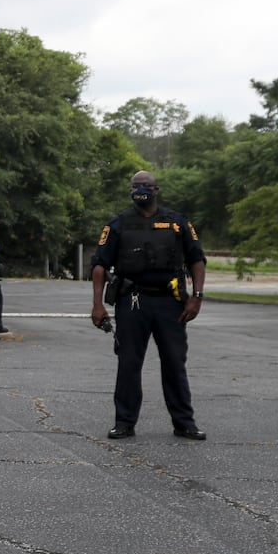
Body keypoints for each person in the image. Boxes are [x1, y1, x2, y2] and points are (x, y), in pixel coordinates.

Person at [90, 170, 208, 441]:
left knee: (174, 363)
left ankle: (184, 423)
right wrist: (98, 305)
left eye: (145, 186)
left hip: (171, 302)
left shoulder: (177, 222)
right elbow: (99, 266)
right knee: (129, 363)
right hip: (133, 300)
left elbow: (197, 260)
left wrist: (197, 296)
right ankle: (124, 422)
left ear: (156, 190)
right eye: (135, 186)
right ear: (130, 190)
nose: (140, 189)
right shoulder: (118, 223)